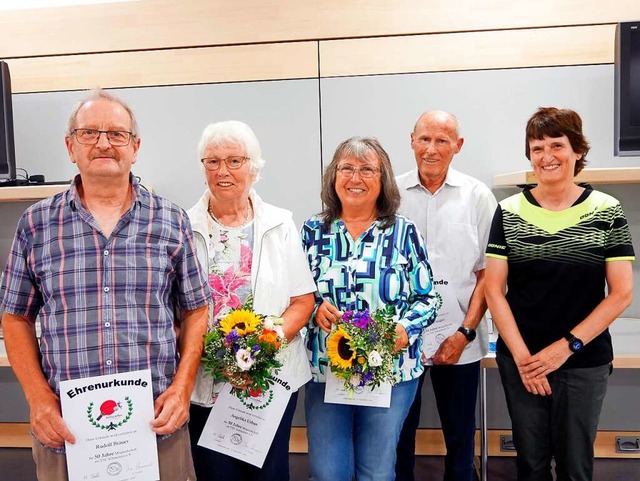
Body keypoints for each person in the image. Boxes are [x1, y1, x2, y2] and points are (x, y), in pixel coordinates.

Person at [0, 88, 211, 480]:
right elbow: (15, 318)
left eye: (116, 134)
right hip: (66, 430)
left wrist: (183, 387)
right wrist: (39, 399)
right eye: (89, 133)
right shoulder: (36, 225)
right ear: (70, 147)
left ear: (135, 147)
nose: (103, 143)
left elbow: (197, 309)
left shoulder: (171, 220)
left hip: (155, 426)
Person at [485, 107, 635, 481]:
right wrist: (523, 359)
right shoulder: (508, 212)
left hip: (583, 361)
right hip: (522, 360)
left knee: (575, 467)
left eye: (557, 145)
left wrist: (564, 348)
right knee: (530, 465)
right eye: (537, 148)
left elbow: (621, 293)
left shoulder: (606, 210)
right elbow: (493, 290)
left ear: (578, 151)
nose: (547, 156)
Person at [301, 136, 439, 481]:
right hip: (326, 370)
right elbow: (295, 296)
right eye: (346, 168)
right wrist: (315, 306)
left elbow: (428, 298)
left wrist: (405, 329)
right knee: (327, 472)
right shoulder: (312, 231)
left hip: (390, 373)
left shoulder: (402, 232)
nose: (355, 178)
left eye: (366, 169)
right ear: (333, 176)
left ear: (383, 180)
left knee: (376, 472)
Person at [187, 120, 316, 481]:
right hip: (207, 379)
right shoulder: (183, 226)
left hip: (268, 378)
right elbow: (176, 309)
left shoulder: (280, 223)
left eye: (234, 161)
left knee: (268, 473)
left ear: (253, 169)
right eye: (212, 162)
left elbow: (302, 301)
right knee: (217, 475)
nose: (222, 171)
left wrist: (262, 348)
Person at [395, 111, 497, 481]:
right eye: (424, 139)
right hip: (400, 341)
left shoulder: (478, 197)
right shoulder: (390, 195)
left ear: (458, 145)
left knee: (459, 438)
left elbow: (488, 274)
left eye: (442, 140)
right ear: (411, 140)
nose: (432, 149)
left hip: (460, 339)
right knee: (397, 438)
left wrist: (465, 332)